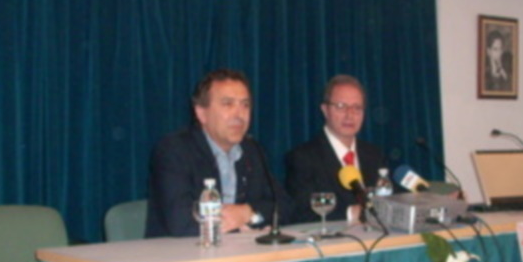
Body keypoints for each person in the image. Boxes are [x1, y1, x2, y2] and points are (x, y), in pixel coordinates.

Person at [145, 68, 291, 238]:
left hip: (238, 256)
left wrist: (247, 213)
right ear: (201, 113)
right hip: (181, 257)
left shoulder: (253, 150)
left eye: (245, 105)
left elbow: (285, 206)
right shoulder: (174, 151)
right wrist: (243, 226)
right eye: (228, 104)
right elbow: (182, 223)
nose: (239, 115)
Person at [285, 74, 390, 224]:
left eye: (357, 108)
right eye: (341, 106)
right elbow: (299, 211)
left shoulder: (374, 155)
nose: (350, 115)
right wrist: (350, 213)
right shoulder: (303, 158)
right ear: (325, 110)